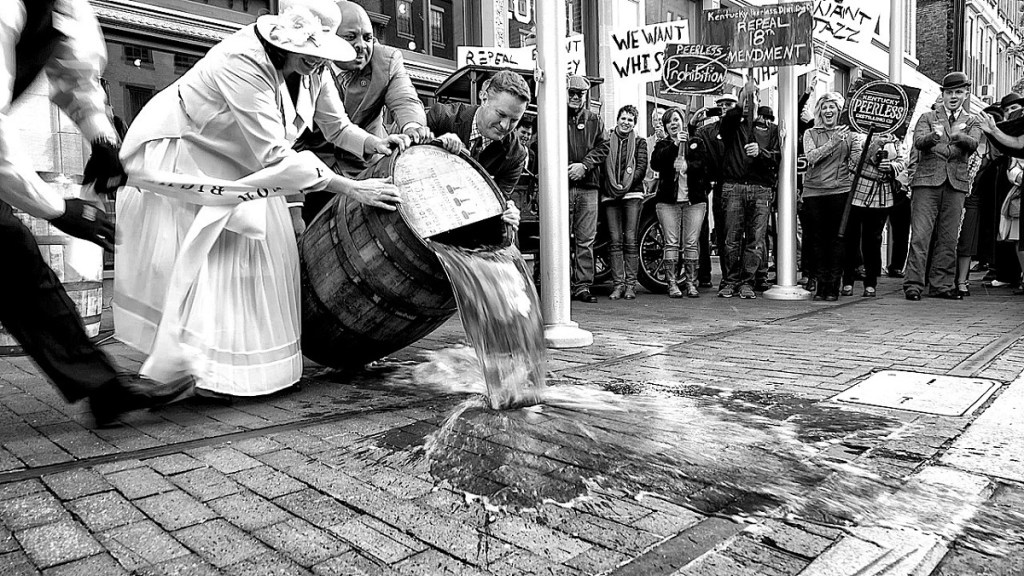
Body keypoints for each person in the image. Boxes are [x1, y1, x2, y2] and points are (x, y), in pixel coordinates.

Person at [114, 0, 410, 398]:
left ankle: (227, 372)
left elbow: (337, 127)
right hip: (192, 159)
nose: (318, 60)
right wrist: (353, 188)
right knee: (209, 264)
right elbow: (274, 154)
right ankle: (190, 368)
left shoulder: (313, 68)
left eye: (324, 51)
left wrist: (375, 143)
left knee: (264, 261)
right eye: (311, 50)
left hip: (249, 168)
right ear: (284, 39)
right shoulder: (241, 61)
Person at [0, 0, 191, 427]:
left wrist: (102, 141)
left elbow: (76, 73)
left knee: (11, 255)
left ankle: (104, 389)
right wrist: (58, 208)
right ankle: (104, 388)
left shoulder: (64, 5)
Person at [294, 0, 429, 223]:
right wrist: (295, 203)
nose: (361, 45)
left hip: (368, 173)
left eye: (368, 37)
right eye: (350, 37)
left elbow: (406, 100)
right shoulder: (310, 63)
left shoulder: (387, 61)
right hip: (313, 176)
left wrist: (412, 127)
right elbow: (292, 140)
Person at [904, 71, 981, 300]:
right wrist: (934, 137)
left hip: (956, 183)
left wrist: (957, 135)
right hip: (927, 181)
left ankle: (942, 285)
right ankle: (914, 285)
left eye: (958, 92)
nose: (954, 96)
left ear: (966, 93)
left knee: (949, 238)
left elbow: (973, 144)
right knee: (920, 235)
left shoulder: (972, 120)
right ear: (943, 95)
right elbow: (919, 142)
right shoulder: (928, 117)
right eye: (949, 92)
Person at [426, 69, 529, 235]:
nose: (505, 126)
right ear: (484, 98)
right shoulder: (441, 118)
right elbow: (403, 155)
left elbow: (496, 202)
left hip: (466, 229)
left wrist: (506, 213)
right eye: (501, 114)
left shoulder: (516, 156)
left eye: (514, 120)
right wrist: (435, 144)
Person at [716, 80, 781, 299]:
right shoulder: (732, 125)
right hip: (734, 187)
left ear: (759, 101)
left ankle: (747, 282)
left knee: (756, 239)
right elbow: (727, 124)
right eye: (744, 98)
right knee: (731, 238)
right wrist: (740, 101)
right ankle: (730, 280)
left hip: (761, 189)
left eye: (753, 98)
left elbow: (778, 156)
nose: (748, 103)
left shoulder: (771, 129)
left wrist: (761, 153)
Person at [802, 92, 862, 301]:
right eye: (824, 107)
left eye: (832, 107)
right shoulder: (811, 133)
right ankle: (820, 286)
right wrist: (834, 142)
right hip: (814, 192)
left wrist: (871, 145)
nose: (828, 111)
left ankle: (833, 287)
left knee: (837, 241)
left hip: (840, 191)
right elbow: (811, 157)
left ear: (839, 111)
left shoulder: (851, 135)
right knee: (817, 241)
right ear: (820, 111)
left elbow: (856, 163)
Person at [842, 134, 905, 297]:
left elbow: (902, 160)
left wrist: (891, 167)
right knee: (851, 238)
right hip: (857, 189)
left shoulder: (895, 136)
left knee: (873, 240)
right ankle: (847, 281)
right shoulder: (857, 134)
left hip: (881, 192)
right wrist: (875, 144)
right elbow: (855, 160)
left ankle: (871, 283)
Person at [653, 107, 707, 298]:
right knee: (671, 243)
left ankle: (691, 283)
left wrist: (688, 166)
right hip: (668, 202)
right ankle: (672, 283)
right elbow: (656, 162)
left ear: (683, 121)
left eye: (676, 119)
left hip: (694, 202)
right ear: (666, 127)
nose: (673, 123)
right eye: (669, 122)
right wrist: (676, 144)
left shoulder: (696, 142)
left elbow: (704, 165)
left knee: (691, 243)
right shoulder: (663, 145)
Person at [565, 74, 610, 303]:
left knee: (585, 239)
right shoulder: (553, 117)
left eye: (579, 94)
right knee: (559, 238)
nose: (574, 97)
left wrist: (584, 165)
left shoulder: (594, 119)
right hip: (561, 187)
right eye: (571, 92)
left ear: (585, 95)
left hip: (588, 186)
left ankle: (582, 285)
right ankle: (559, 283)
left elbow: (604, 147)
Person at [601, 105, 648, 300]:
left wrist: (625, 186)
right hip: (610, 195)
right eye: (623, 118)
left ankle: (630, 285)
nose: (626, 122)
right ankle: (618, 285)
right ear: (618, 119)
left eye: (630, 120)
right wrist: (613, 187)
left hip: (632, 195)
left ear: (634, 123)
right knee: (615, 241)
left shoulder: (640, 142)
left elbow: (642, 167)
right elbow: (603, 166)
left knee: (630, 240)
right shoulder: (606, 141)